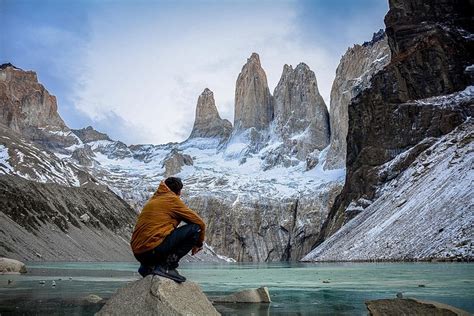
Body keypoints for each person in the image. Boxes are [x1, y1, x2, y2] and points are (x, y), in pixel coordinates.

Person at [130, 177, 206, 283]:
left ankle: (148, 267)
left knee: (159, 233)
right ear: (179, 192)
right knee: (195, 229)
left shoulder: (154, 199)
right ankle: (166, 267)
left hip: (139, 253)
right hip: (152, 250)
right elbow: (200, 223)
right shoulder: (172, 200)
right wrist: (198, 244)